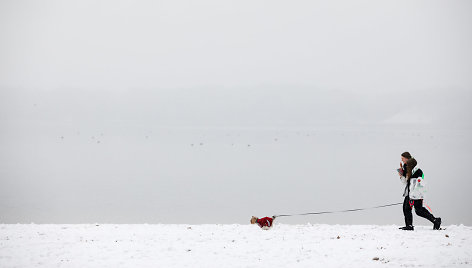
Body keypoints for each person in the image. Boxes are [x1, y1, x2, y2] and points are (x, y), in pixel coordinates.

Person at [398, 152, 441, 230]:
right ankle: (434, 220)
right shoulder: (406, 167)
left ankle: (434, 220)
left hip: (416, 193)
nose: (402, 160)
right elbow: (406, 182)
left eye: (402, 159)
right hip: (410, 192)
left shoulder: (416, 170)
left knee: (416, 210)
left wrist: (413, 196)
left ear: (407, 158)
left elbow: (417, 183)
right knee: (412, 209)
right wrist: (401, 174)